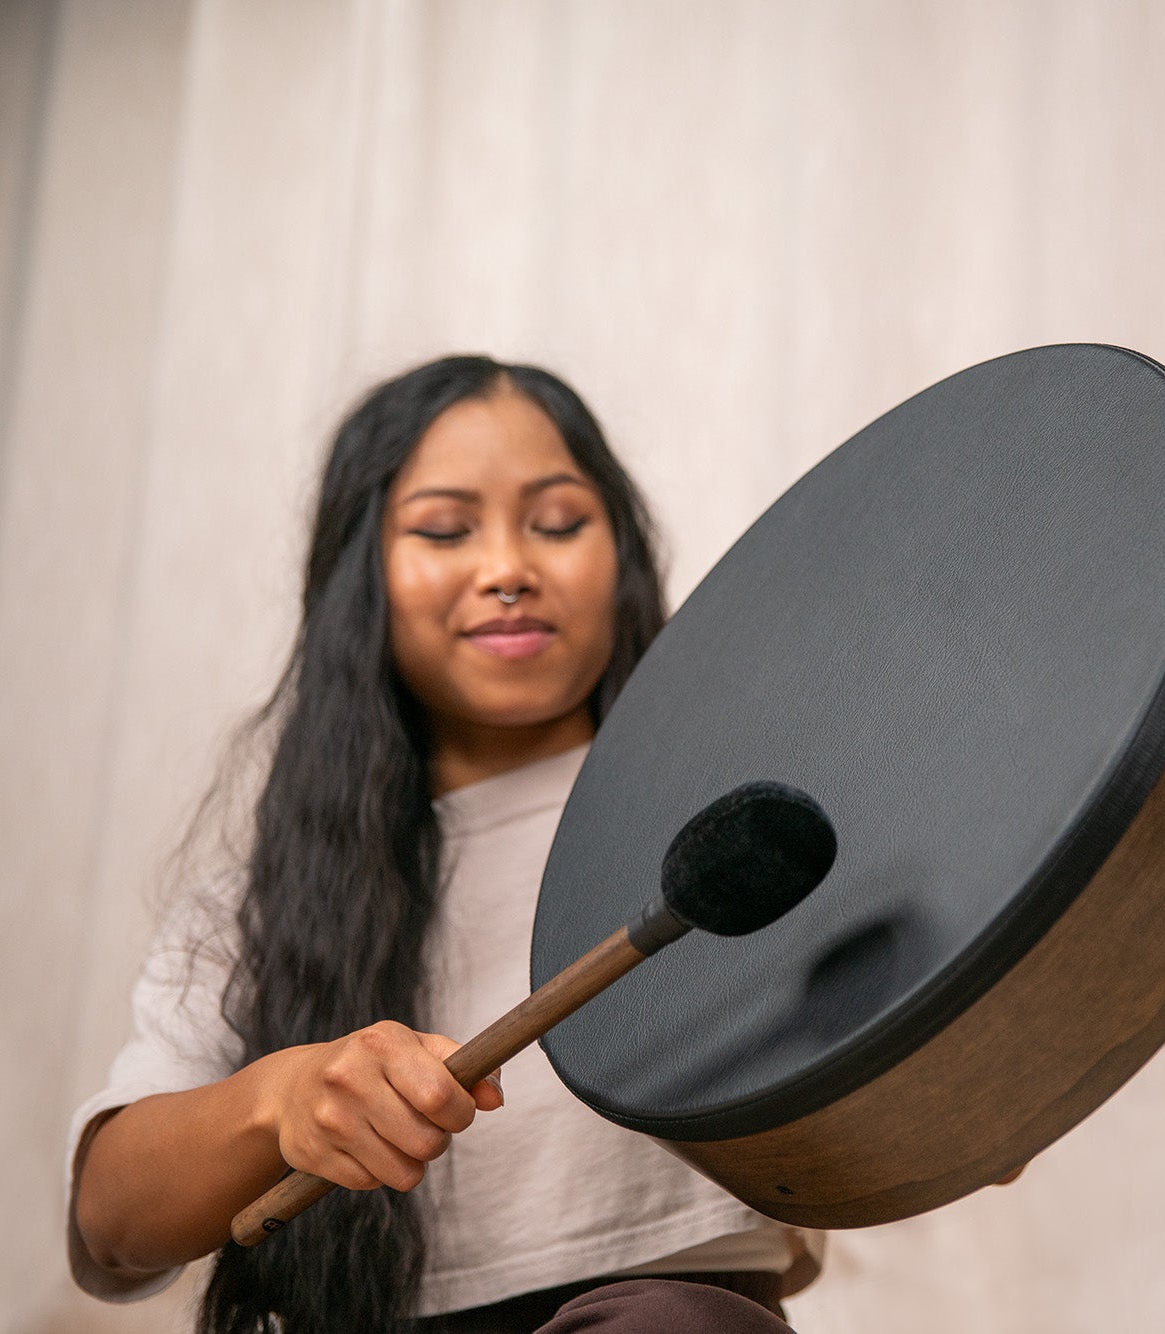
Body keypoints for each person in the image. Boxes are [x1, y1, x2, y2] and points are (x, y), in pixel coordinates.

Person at [64, 355, 815, 1334]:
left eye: (557, 523)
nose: (507, 568)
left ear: (622, 555)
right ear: (360, 578)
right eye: (445, 530)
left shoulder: (746, 839)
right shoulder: (257, 904)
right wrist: (282, 1099)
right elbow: (111, 1223)